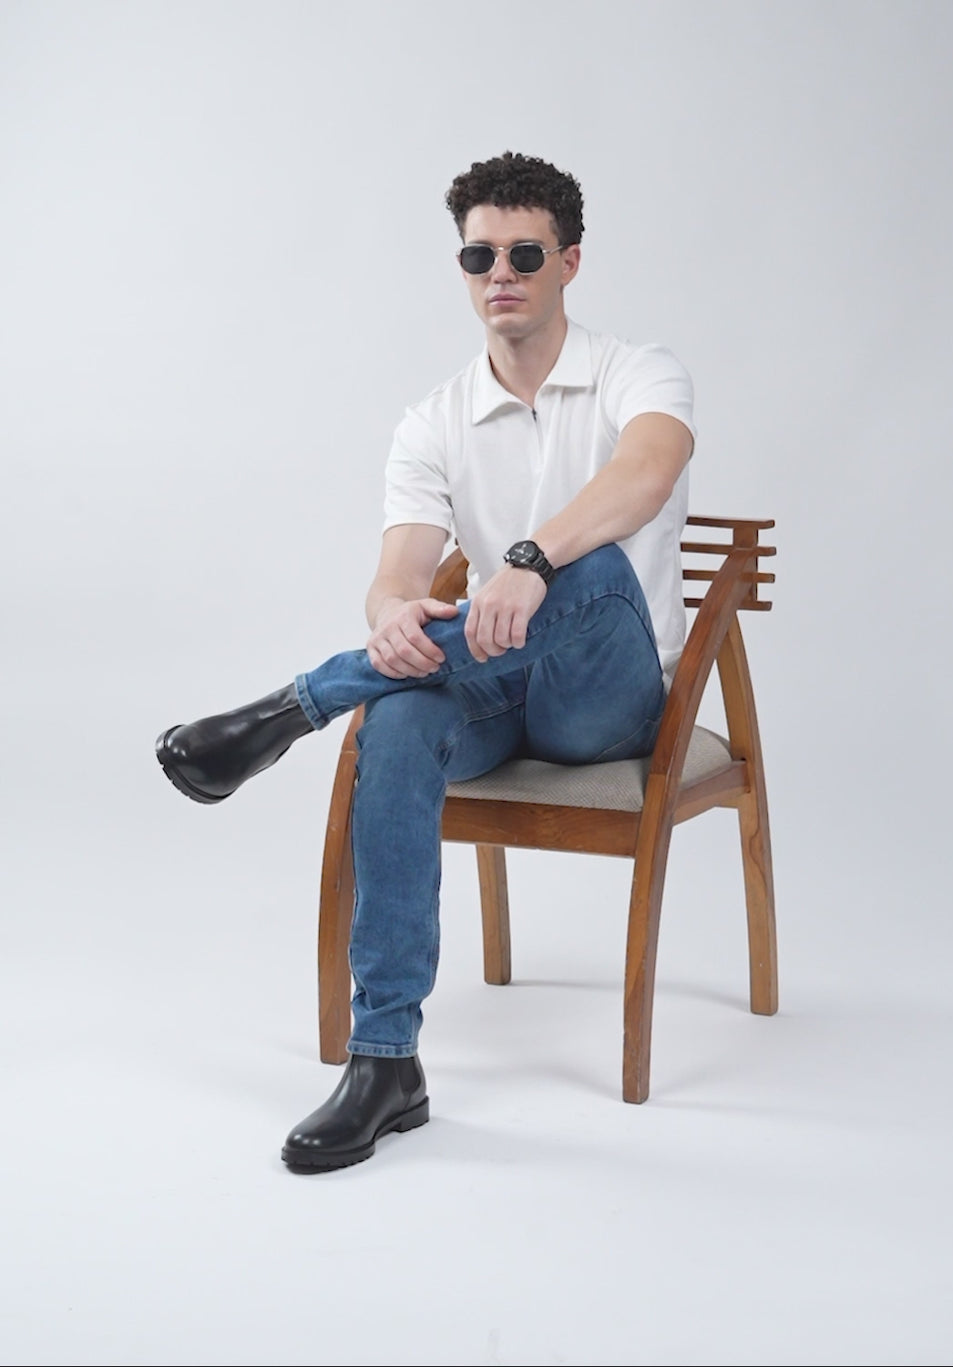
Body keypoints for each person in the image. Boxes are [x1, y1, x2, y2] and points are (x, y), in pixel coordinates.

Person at [156, 150, 696, 1173]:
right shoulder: (433, 419)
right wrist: (396, 620)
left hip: (606, 698)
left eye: (525, 254)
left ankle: (293, 707)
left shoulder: (639, 371)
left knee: (587, 567)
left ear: (569, 262)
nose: (501, 273)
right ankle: (386, 1062)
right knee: (399, 715)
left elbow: (646, 473)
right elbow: (397, 573)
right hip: (491, 677)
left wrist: (530, 559)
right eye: (479, 255)